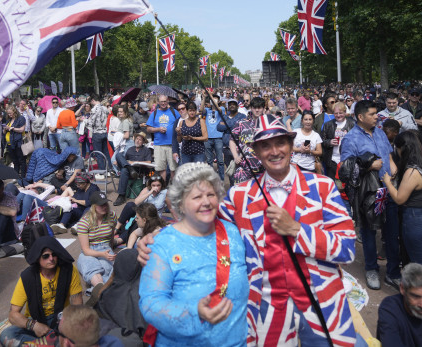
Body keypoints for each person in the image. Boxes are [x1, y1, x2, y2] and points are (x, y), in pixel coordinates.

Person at [146, 114, 358, 346]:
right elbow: (202, 222)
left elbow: (346, 249)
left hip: (323, 302)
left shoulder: (323, 187)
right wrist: (160, 238)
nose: (274, 151)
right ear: (256, 153)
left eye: (280, 143)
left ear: (291, 146)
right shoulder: (240, 195)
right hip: (267, 308)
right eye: (265, 146)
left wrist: (297, 230)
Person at [139, 162, 249, 346]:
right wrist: (193, 312)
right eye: (197, 196)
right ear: (180, 203)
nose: (206, 202)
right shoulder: (161, 244)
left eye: (211, 194)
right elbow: (151, 303)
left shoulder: (233, 233)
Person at [341, 100, 400, 290]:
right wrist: (368, 166)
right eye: (373, 114)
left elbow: (389, 154)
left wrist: (392, 165)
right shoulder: (350, 139)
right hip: (368, 195)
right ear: (360, 117)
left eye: (376, 113)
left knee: (392, 233)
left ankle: (393, 272)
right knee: (368, 232)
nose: (377, 116)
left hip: (388, 190)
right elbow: (346, 169)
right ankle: (371, 269)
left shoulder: (381, 132)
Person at [0, 237, 84, 346]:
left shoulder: (69, 270)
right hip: (36, 322)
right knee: (7, 335)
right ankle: (55, 342)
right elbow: (13, 315)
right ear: (38, 258)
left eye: (54, 254)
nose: (51, 258)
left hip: (62, 318)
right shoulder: (27, 277)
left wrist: (71, 325)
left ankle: (46, 343)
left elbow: (77, 305)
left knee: (84, 328)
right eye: (46, 256)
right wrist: (34, 326)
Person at [381, 131, 422, 267]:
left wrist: (387, 182)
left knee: (419, 265)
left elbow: (399, 199)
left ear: (402, 148)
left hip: (415, 219)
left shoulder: (412, 172)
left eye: (396, 148)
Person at [75, 190, 117, 290]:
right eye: (101, 205)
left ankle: (97, 291)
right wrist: (103, 254)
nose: (105, 207)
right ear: (93, 206)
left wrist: (110, 250)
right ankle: (100, 289)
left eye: (105, 203)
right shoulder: (84, 222)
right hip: (90, 250)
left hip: (105, 248)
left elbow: (111, 236)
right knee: (90, 267)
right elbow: (85, 249)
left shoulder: (112, 216)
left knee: (106, 269)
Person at [147, 95, 181, 182]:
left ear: (168, 101)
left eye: (165, 101)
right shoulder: (154, 113)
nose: (163, 103)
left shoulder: (174, 112)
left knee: (174, 168)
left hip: (172, 145)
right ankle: (163, 188)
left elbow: (181, 122)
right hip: (159, 145)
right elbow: (148, 128)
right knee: (161, 168)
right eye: (161, 101)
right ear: (158, 102)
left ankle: (173, 188)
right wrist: (158, 129)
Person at [113, 131, 152, 206]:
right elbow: (125, 160)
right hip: (129, 170)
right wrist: (120, 162)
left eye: (140, 139)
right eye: (137, 138)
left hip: (138, 171)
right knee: (118, 155)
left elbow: (149, 162)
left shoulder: (146, 150)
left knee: (124, 170)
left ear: (143, 142)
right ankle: (129, 168)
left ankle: (121, 196)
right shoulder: (130, 149)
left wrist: (134, 162)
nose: (137, 140)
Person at [321, 101, 355, 179]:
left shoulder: (352, 124)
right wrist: (329, 142)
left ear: (345, 112)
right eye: (336, 113)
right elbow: (322, 141)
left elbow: (357, 141)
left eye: (341, 113)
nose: (338, 115)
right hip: (332, 160)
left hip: (347, 160)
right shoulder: (328, 125)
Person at [5, 105, 27, 179]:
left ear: (14, 112)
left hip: (19, 142)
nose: (9, 115)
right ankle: (16, 176)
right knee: (14, 160)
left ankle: (23, 176)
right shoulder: (8, 120)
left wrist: (12, 128)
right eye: (8, 113)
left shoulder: (21, 118)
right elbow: (5, 130)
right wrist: (5, 129)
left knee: (21, 160)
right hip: (10, 143)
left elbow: (21, 130)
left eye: (10, 113)